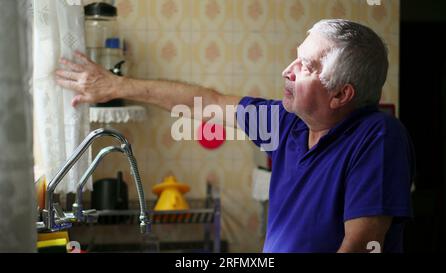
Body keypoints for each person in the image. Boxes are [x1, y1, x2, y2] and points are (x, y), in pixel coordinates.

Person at [56, 19, 414, 253]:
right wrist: (116, 85)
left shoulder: (378, 136)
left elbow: (360, 245)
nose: (286, 71)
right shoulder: (288, 122)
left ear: (340, 95)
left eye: (305, 66)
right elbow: (206, 103)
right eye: (295, 58)